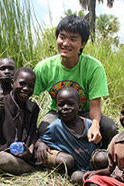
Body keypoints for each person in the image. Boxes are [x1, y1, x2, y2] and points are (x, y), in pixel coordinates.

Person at [33, 15, 118, 149]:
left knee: (111, 129)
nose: (65, 43)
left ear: (82, 43)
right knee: (44, 129)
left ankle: (102, 156)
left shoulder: (94, 67)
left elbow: (95, 106)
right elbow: (28, 96)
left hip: (85, 113)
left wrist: (95, 126)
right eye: (62, 37)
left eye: (73, 39)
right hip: (58, 112)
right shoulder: (45, 67)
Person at [0, 67, 40, 178]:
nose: (26, 89)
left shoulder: (33, 108)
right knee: (4, 160)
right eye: (22, 84)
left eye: (31, 86)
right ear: (12, 83)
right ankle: (32, 170)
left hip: (25, 154)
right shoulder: (0, 104)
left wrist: (29, 152)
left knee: (62, 159)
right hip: (4, 153)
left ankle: (23, 166)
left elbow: (33, 134)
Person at [35, 87, 107, 184]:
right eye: (61, 105)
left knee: (102, 157)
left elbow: (98, 145)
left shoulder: (89, 124)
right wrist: (41, 144)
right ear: (56, 108)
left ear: (80, 107)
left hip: (92, 164)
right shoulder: (56, 127)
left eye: (71, 104)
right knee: (77, 177)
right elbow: (41, 140)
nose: (65, 107)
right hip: (76, 169)